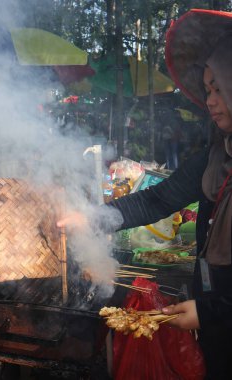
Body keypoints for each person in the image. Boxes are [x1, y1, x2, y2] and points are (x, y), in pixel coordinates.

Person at [57, 9, 232, 380]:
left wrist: (215, 311)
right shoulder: (216, 156)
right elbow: (157, 199)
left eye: (219, 87)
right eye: (208, 89)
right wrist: (94, 217)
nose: (211, 100)